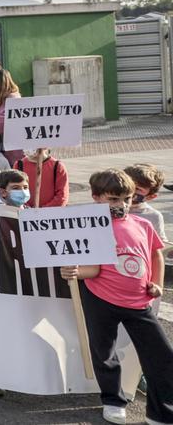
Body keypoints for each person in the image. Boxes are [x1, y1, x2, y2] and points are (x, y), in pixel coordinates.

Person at [61, 169, 171, 425]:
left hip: (139, 300)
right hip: (101, 298)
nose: (121, 205)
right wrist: (76, 271)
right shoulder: (89, 225)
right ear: (96, 197)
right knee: (104, 352)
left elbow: (156, 254)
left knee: (161, 356)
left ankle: (162, 411)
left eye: (127, 198)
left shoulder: (143, 224)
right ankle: (113, 400)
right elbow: (94, 269)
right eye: (113, 199)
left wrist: (156, 282)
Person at [124, 164, 168, 245]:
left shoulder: (152, 216)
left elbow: (158, 244)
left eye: (137, 189)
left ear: (150, 197)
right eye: (126, 185)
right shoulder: (103, 208)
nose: (129, 191)